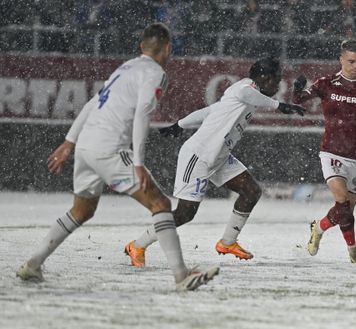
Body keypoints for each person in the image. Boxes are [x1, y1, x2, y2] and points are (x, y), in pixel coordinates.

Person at [16, 23, 219, 291]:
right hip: (110, 147)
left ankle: (32, 265)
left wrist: (69, 142)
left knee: (82, 210)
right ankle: (181, 276)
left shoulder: (125, 68)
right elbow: (143, 112)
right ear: (168, 47)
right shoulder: (155, 73)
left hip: (87, 145)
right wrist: (138, 164)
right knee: (159, 203)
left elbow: (91, 103)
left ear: (141, 47)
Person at [124, 57, 305, 267]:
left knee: (251, 191)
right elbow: (247, 93)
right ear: (264, 77)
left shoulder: (244, 97)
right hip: (198, 156)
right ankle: (137, 244)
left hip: (219, 157)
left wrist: (180, 124)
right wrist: (279, 105)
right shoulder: (245, 87)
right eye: (276, 80)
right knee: (185, 213)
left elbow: (210, 111)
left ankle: (228, 242)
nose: (278, 85)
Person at [292, 39, 356, 263]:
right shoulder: (326, 83)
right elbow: (300, 100)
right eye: (350, 61)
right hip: (331, 152)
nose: (355, 67)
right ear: (341, 59)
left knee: (346, 212)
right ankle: (353, 251)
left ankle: (319, 229)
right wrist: (296, 89)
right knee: (341, 200)